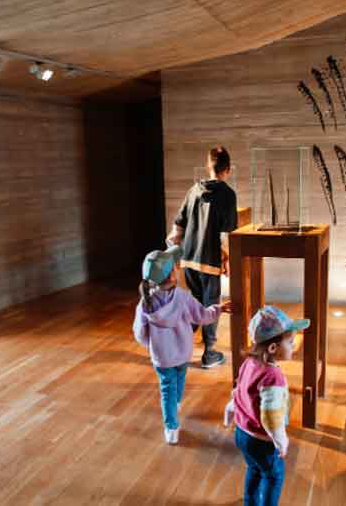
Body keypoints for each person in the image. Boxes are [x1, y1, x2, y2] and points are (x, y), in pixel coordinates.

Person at [133, 245, 232, 444]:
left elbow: (140, 334)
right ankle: (176, 403)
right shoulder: (183, 297)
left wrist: (152, 345)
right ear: (172, 275)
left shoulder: (146, 303)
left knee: (166, 387)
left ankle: (171, 428)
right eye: (175, 266)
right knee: (179, 378)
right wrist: (218, 308)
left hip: (162, 356)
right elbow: (203, 316)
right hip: (183, 352)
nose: (178, 267)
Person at [224, 306, 309, 506]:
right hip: (262, 441)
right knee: (273, 476)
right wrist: (281, 440)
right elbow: (271, 417)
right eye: (290, 342)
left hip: (242, 433)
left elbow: (240, 392)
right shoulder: (274, 377)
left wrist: (230, 409)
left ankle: (249, 502)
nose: (294, 345)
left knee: (253, 468)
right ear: (273, 348)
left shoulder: (249, 363)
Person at [167, 146, 237, 368]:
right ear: (228, 169)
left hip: (189, 259)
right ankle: (210, 353)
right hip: (210, 262)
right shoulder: (227, 194)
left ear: (208, 166)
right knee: (210, 306)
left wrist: (175, 250)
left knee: (194, 305)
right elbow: (226, 234)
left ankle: (178, 348)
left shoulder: (193, 190)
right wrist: (227, 260)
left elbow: (178, 225)